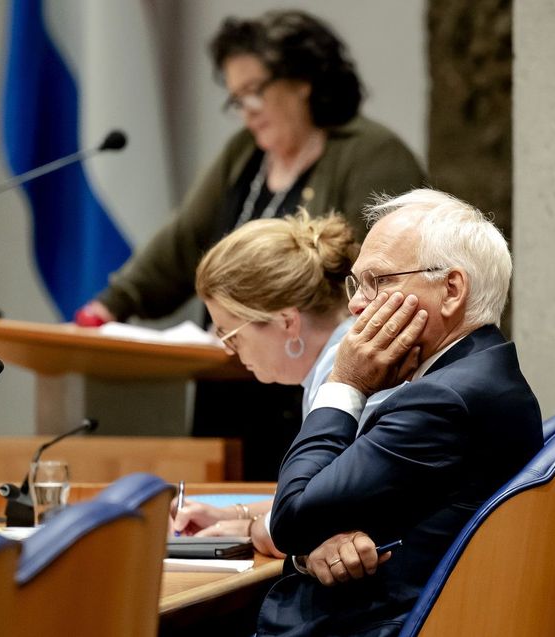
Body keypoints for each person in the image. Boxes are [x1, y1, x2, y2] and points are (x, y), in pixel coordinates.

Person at [77, 10, 425, 480]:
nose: (247, 110)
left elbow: (383, 276)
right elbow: (181, 243)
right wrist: (108, 306)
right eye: (236, 99)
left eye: (255, 91)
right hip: (233, 379)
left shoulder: (372, 154)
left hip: (318, 382)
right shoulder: (245, 154)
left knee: (301, 504)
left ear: (303, 80)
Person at [254, 189, 544, 636]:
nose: (355, 304)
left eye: (380, 281)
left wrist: (345, 382)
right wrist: (315, 548)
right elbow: (316, 521)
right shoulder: (482, 374)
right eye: (357, 283)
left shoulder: (444, 401)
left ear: (451, 290)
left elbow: (292, 516)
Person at [171, 211, 415, 556]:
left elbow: (331, 512)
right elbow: (315, 490)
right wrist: (231, 514)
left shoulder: (355, 368)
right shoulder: (332, 360)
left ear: (287, 322)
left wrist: (253, 529)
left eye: (230, 333)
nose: (227, 348)